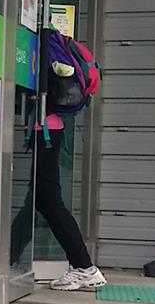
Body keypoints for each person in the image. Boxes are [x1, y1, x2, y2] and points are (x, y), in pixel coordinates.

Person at [9, 113, 107, 291]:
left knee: (50, 203)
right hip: (46, 129)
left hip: (45, 129)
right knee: (39, 202)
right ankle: (9, 259)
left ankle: (84, 267)